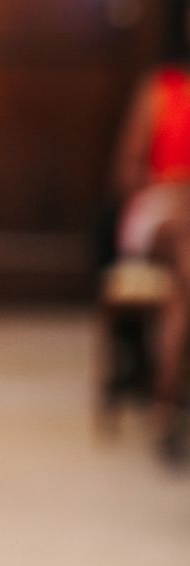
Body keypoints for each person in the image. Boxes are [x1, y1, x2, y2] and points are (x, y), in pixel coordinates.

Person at [110, 0, 190, 458]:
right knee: (184, 238)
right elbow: (126, 173)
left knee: (183, 283)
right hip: (161, 211)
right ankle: (168, 398)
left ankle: (166, 400)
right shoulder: (161, 89)